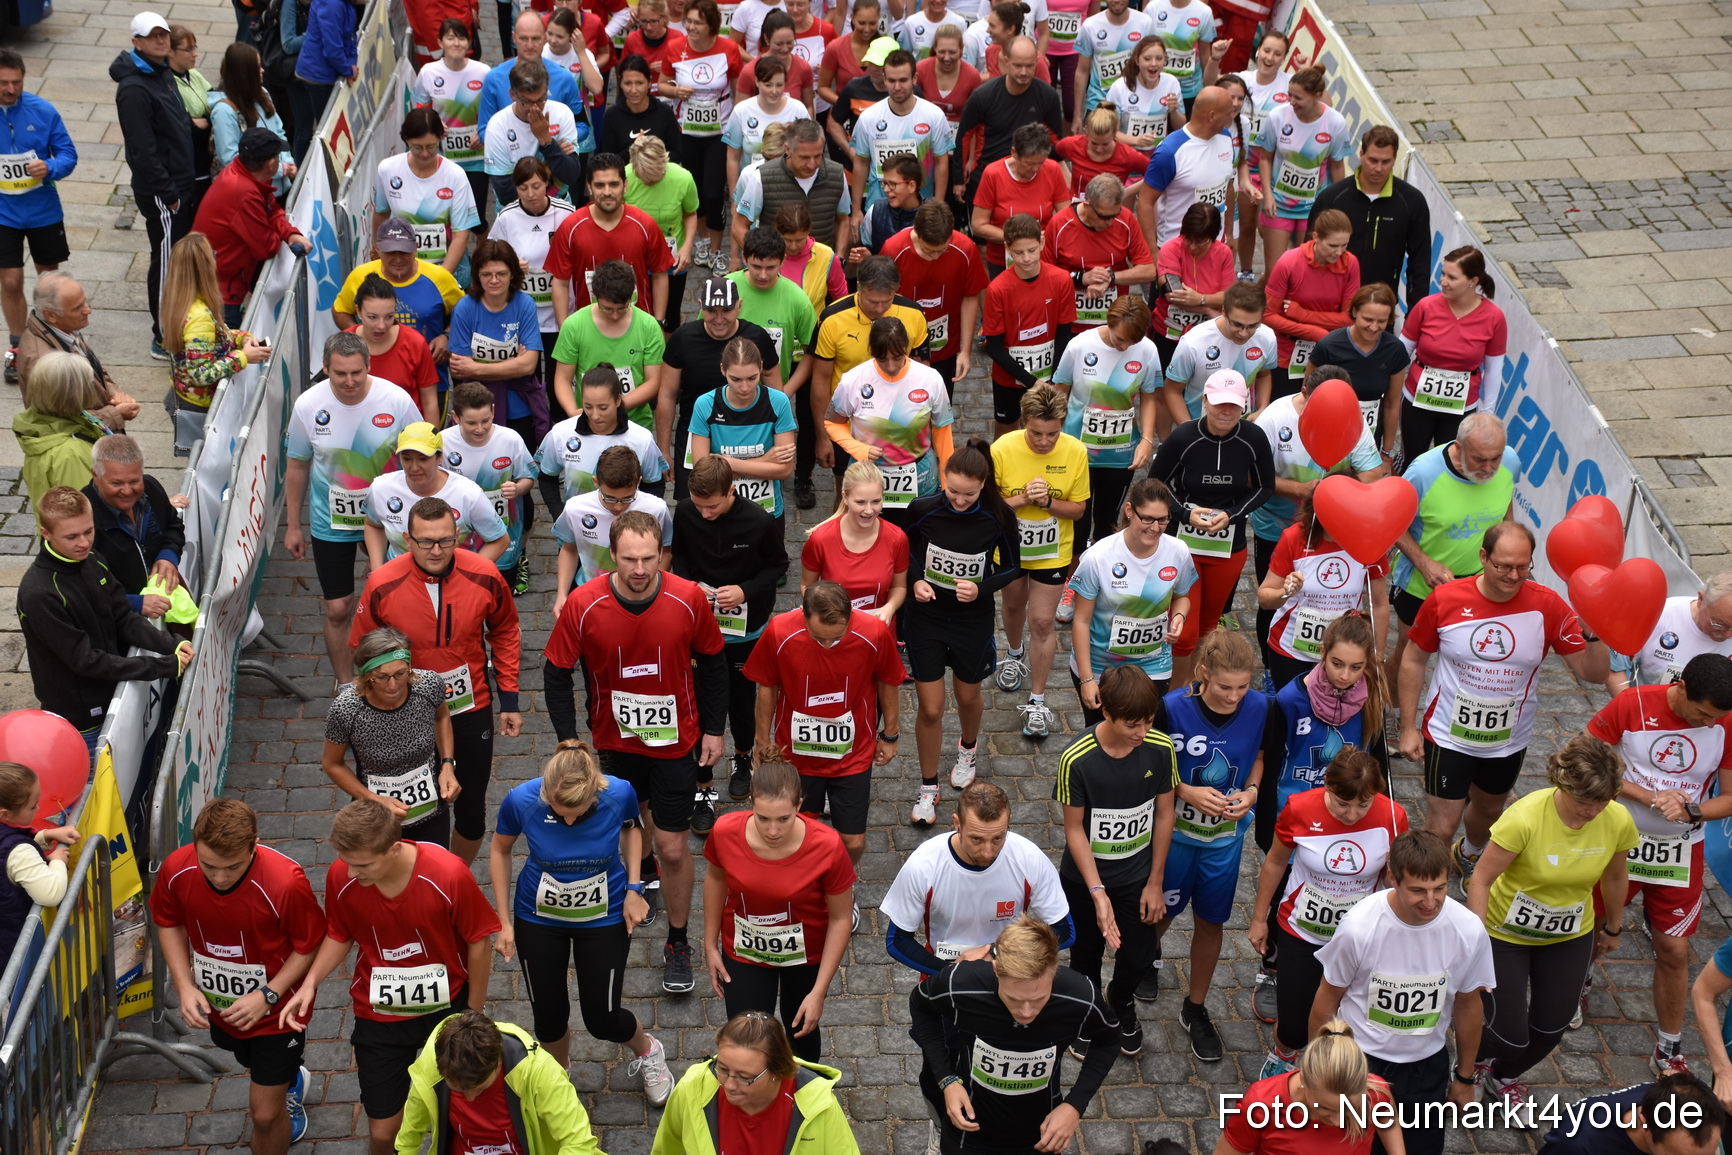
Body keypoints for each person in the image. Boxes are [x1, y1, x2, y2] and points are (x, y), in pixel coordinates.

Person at [542, 510, 728, 995]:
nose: (640, 569)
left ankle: (678, 941)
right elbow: (555, 672)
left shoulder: (688, 599)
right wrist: (567, 739)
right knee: (633, 824)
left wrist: (713, 729)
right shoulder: (584, 604)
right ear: (611, 555)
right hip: (612, 743)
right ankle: (638, 880)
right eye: (629, 559)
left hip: (674, 743)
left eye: (649, 558)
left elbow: (713, 663)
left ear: (662, 553)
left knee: (671, 844)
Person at [277, 800, 500, 1155]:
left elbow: (478, 941)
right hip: (379, 1014)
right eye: (347, 861)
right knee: (383, 1135)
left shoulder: (448, 874)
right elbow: (339, 932)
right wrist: (309, 983)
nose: (350, 873)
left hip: (447, 1011)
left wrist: (472, 1013)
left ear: (394, 849)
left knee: (462, 1116)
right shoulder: (343, 874)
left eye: (362, 864)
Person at [1396, 522, 1609, 863]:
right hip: (1448, 734)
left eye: (1523, 567)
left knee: (1488, 812)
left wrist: (1595, 635)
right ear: (1483, 556)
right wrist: (1407, 727)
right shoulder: (1446, 599)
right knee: (1443, 823)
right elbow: (1413, 658)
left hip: (1507, 740)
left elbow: (1592, 674)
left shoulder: (1548, 606)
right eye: (1504, 566)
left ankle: (1470, 853)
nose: (1513, 575)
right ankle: (1427, 890)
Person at [488, 746, 674, 1101]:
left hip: (603, 916)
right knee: (548, 1016)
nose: (570, 822)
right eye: (561, 814)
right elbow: (499, 850)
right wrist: (503, 921)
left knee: (602, 1018)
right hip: (538, 916)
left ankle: (648, 1050)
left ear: (594, 793)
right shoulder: (521, 800)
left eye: (578, 813)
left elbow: (632, 830)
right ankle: (560, 1076)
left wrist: (635, 888)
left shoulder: (619, 792)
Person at [1465, 734, 1635, 1110]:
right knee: (1508, 1035)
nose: (1593, 812)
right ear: (1563, 784)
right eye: (1585, 802)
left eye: (1602, 802)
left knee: (1548, 1031)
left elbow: (1615, 875)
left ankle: (1503, 1076)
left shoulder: (1617, 819)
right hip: (1504, 934)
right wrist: (1476, 942)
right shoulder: (1525, 817)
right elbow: (1480, 879)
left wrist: (1614, 928)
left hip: (1568, 936)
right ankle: (1470, 1065)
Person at [350, 496, 524, 864]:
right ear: (407, 539)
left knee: (471, 809)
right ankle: (402, 875)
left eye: (445, 540)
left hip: (470, 706)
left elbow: (506, 630)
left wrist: (509, 698)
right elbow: (361, 650)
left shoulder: (485, 575)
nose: (436, 549)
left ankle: (452, 879)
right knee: (403, 809)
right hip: (402, 714)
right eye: (426, 541)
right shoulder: (382, 583)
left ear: (458, 536)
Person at [1585, 654, 1732, 1078]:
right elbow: (1587, 760)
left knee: (1674, 949)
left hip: (1682, 848)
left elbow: (1730, 796)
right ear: (1681, 688)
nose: (1709, 725)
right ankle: (1580, 982)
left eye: (1717, 718)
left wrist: (1694, 809)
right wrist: (1651, 797)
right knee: (1594, 925)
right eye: (1703, 714)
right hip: (1618, 843)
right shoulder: (1631, 704)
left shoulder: (1726, 721)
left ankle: (1668, 1048)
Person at [151, 799, 324, 1155]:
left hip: (279, 1013)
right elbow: (168, 922)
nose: (220, 877)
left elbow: (309, 945)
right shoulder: (176, 869)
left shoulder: (285, 884)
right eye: (209, 865)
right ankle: (291, 1079)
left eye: (232, 866)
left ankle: (281, 1093)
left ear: (254, 843)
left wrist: (268, 995)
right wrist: (184, 985)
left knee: (263, 1115)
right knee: (244, 1057)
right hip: (223, 1010)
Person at [1309, 830, 1495, 1155]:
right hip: (1361, 1063)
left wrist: (1465, 1078)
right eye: (1418, 891)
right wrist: (1319, 1075)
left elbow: (1468, 1005)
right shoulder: (1359, 927)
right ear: (1392, 878)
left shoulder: (1468, 929)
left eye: (1439, 888)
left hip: (1426, 1066)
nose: (1430, 901)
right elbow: (1326, 1001)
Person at [1247, 747, 1407, 1078]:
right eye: (1342, 803)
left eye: (1363, 805)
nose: (1352, 814)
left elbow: (1396, 880)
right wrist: (1259, 918)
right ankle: (1284, 1054)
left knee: (1347, 1016)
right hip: (1301, 930)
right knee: (1293, 1024)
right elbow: (1276, 862)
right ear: (1326, 785)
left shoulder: (1393, 816)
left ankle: (1331, 1074)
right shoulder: (1300, 808)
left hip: (1360, 937)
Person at [911, 915, 1119, 1155]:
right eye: (1014, 999)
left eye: (1039, 999)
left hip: (1041, 1134)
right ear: (996, 969)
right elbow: (920, 1005)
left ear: (1054, 972)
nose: (1026, 1012)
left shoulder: (1080, 996)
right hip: (968, 1133)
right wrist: (946, 1079)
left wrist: (1074, 1106)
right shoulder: (961, 984)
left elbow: (1110, 1039)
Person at [284, 332, 424, 688]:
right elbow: (298, 464)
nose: (349, 382)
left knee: (396, 599)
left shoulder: (396, 400)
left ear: (369, 367)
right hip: (330, 521)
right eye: (339, 374)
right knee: (338, 607)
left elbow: (421, 459)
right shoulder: (307, 405)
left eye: (356, 373)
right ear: (325, 368)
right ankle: (347, 686)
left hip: (387, 518)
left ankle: (400, 675)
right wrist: (293, 525)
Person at [1154, 630, 1266, 1059]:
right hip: (1175, 836)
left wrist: (1252, 792)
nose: (1234, 696)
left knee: (1212, 922)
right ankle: (1144, 964)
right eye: (1224, 687)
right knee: (1158, 913)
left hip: (1223, 841)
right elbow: (1152, 762)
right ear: (1202, 673)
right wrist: (1184, 791)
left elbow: (1260, 755)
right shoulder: (1171, 708)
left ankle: (1195, 1006)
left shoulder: (1259, 708)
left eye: (1242, 686)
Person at [1054, 665, 1175, 1059]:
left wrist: (1155, 881)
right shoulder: (1077, 759)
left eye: (1149, 722)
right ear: (1106, 712)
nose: (1142, 733)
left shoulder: (1161, 748)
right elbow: (1075, 830)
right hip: (1085, 879)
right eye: (1132, 725)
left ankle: (1119, 1001)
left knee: (1139, 955)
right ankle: (1088, 1014)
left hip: (1138, 877)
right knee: (1085, 956)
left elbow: (1163, 813)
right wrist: (1097, 892)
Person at [18, 489, 189, 762]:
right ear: (45, 533)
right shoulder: (40, 592)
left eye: (89, 531)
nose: (84, 543)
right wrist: (165, 665)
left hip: (115, 695)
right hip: (81, 717)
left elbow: (121, 615)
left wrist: (173, 643)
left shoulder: (92, 560)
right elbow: (85, 661)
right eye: (72, 536)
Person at [701, 761, 855, 1061]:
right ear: (751, 804)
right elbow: (715, 880)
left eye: (784, 818)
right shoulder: (724, 831)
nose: (773, 830)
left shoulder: (828, 846)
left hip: (805, 956)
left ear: (800, 804)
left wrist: (819, 991)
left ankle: (806, 1099)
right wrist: (709, 944)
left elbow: (840, 918)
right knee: (747, 1039)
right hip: (745, 952)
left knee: (802, 1036)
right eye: (763, 818)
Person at [1249, 364, 1385, 679]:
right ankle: (1272, 670)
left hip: (1334, 529)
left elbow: (1373, 475)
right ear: (1304, 392)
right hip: (1277, 524)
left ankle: (1329, 665)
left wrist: (1337, 495)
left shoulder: (1354, 422)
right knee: (1276, 596)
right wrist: (1299, 490)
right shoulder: (1274, 418)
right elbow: (1251, 477)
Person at [746, 579, 904, 849]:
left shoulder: (874, 632)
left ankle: (838, 885)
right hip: (796, 755)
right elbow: (768, 687)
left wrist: (890, 735)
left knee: (852, 842)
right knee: (800, 833)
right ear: (803, 615)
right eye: (819, 637)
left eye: (837, 636)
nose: (829, 644)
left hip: (852, 754)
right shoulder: (779, 631)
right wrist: (762, 741)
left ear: (850, 615)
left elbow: (888, 682)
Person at [904, 440, 1020, 800]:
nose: (958, 499)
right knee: (931, 707)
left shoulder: (998, 516)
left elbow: (1014, 566)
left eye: (968, 494)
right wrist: (917, 579)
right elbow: (903, 552)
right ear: (944, 478)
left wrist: (982, 587)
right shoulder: (922, 509)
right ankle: (927, 786)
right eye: (952, 490)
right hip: (927, 617)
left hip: (973, 621)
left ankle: (967, 750)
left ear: (983, 484)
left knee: (968, 697)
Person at [673, 452, 789, 809]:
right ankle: (703, 782)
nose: (705, 514)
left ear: (731, 491)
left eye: (712, 507)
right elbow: (680, 557)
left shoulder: (759, 520)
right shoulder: (685, 512)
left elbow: (778, 566)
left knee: (741, 698)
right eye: (699, 506)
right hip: (701, 622)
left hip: (745, 628)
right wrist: (693, 586)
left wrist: (744, 591)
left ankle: (742, 757)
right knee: (699, 700)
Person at [1148, 369, 1273, 684]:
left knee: (1207, 627)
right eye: (1219, 404)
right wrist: (1182, 514)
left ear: (1244, 405)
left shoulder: (1253, 438)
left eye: (1233, 405)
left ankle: (1198, 690)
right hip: (1183, 545)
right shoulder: (1184, 437)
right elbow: (1154, 483)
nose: (1226, 412)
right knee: (1185, 631)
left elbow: (1264, 487)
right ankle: (1176, 695)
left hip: (1228, 547)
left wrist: (1231, 515)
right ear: (1204, 401)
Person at [1383, 413, 1519, 692]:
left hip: (1480, 584)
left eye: (1495, 458)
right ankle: (1389, 705)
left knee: (1472, 656)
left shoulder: (1511, 462)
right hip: (1422, 585)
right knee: (1409, 651)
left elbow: (1505, 504)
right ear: (1458, 446)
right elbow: (1391, 523)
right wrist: (1424, 564)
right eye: (1480, 459)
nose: (1489, 467)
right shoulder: (1423, 473)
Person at [884, 782, 1072, 969]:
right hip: (944, 971)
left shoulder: (1029, 858)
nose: (987, 853)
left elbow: (1064, 930)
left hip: (1008, 969)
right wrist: (952, 974)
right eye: (977, 839)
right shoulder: (924, 865)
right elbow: (898, 940)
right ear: (957, 823)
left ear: (1008, 822)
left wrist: (994, 952)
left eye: (998, 838)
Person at [991, 384, 1089, 738]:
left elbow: (1078, 510)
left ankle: (1037, 700)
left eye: (1053, 433)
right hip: (1012, 547)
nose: (1045, 441)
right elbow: (988, 505)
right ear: (1023, 422)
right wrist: (1022, 499)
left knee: (1044, 622)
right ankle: (1014, 654)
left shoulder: (1076, 452)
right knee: (1014, 605)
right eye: (1036, 433)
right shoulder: (1002, 449)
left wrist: (1047, 503)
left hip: (1052, 551)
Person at [798, 254, 929, 501]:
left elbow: (923, 374)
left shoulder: (915, 314)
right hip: (847, 428)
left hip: (897, 427)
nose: (879, 309)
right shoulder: (832, 318)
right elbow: (820, 381)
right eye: (872, 302)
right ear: (858, 287)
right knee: (847, 496)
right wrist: (822, 436)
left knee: (900, 501)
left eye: (886, 301)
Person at [1068, 477, 1196, 726]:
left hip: (1153, 662)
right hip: (1101, 666)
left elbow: (1182, 597)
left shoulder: (1178, 551)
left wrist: (1179, 618)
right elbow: (1081, 621)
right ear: (1129, 511)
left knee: (1147, 731)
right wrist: (1086, 679)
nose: (1155, 527)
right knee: (1102, 736)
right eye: (1147, 518)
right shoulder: (1098, 558)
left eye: (1163, 519)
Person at [396, 1011, 607, 1155]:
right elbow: (409, 1136)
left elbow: (578, 1143)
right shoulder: (431, 1068)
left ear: (497, 1061)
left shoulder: (542, 1073)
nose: (469, 1098)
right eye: (459, 1090)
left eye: (478, 1089)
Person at [323, 629, 459, 848]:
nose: (393, 685)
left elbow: (442, 716)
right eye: (382, 677)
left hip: (432, 811)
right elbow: (332, 764)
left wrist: (447, 765)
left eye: (401, 674)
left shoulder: (428, 685)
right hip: (378, 819)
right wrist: (373, 799)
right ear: (366, 676)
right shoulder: (346, 709)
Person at [650, 1012, 859, 1155]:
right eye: (722, 1069)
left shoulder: (820, 1107)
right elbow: (668, 1148)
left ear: (778, 1070)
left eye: (744, 1076)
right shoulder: (692, 1088)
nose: (729, 1085)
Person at [112, 11, 195, 359]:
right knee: (164, 261)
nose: (161, 41)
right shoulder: (133, 88)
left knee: (175, 258)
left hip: (179, 183)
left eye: (163, 34)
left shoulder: (160, 72)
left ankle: (174, 325)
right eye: (153, 36)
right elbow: (142, 151)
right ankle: (162, 337)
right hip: (164, 192)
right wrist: (169, 193)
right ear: (137, 43)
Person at [1053, 293, 1161, 557]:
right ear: (1109, 323)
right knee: (1076, 526)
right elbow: (1059, 392)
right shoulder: (1080, 345)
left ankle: (1101, 580)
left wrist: (1147, 439)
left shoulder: (1147, 350)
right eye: (1120, 339)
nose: (1125, 347)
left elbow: (1149, 397)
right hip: (1078, 450)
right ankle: (1072, 582)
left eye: (1132, 341)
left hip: (1120, 453)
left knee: (1106, 523)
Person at [823, 315, 953, 525]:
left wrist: (947, 485)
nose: (891, 366)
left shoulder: (931, 379)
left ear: (907, 348)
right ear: (871, 351)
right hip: (866, 478)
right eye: (882, 359)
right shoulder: (852, 380)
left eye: (898, 357)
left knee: (914, 538)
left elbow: (942, 432)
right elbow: (832, 422)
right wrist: (857, 448)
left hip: (919, 476)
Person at [659, 277, 782, 498]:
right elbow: (667, 396)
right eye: (711, 310)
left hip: (748, 438)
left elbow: (776, 395)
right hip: (694, 435)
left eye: (726, 310)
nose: (718, 319)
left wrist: (779, 439)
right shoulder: (683, 338)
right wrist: (663, 449)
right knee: (696, 507)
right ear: (699, 306)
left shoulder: (757, 337)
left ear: (739, 306)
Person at [1256, 495, 1390, 693]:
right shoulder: (1295, 537)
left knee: (1336, 715)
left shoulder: (1370, 541)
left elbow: (1379, 604)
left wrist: (1377, 655)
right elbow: (1265, 598)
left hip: (1346, 654)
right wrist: (1285, 592)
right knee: (1291, 713)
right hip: (1291, 650)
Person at [0, 48, 75, 387]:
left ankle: (55, 339)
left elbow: (68, 155)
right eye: (3, 83)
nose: (10, 89)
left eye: (16, 82)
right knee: (11, 280)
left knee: (49, 282)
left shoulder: (42, 111)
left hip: (43, 209)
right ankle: (17, 345)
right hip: (4, 213)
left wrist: (50, 168)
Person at [1214, 1022, 1403, 1155]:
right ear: (1305, 1078)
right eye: (1325, 1107)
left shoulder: (1374, 1092)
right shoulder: (1261, 1106)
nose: (1337, 1120)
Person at [1397, 245, 1507, 463]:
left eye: (1452, 277)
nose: (1443, 282)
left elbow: (1494, 370)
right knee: (1411, 461)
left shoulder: (1494, 317)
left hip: (1461, 408)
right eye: (1443, 274)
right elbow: (1401, 352)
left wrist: (1487, 413)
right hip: (1417, 401)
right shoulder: (1425, 307)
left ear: (1473, 281)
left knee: (1450, 464)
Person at [658, 0, 745, 273]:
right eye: (688, 21)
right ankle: (704, 242)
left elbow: (737, 85)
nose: (691, 27)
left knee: (712, 193)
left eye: (697, 22)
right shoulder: (674, 48)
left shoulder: (728, 49)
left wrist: (739, 121)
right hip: (687, 131)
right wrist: (675, 92)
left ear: (711, 26)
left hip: (719, 132)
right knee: (695, 191)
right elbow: (661, 83)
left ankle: (718, 250)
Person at [190, 127, 308, 324]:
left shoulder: (243, 173)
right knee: (230, 348)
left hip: (220, 281)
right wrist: (278, 230)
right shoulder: (244, 193)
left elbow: (271, 208)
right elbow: (266, 247)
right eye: (278, 157)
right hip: (220, 292)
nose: (280, 161)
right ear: (270, 164)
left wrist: (290, 234)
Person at [161, 232, 269, 444]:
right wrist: (242, 357)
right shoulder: (199, 317)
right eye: (212, 255)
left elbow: (216, 337)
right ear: (204, 268)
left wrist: (241, 338)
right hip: (201, 410)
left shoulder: (180, 299)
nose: (215, 259)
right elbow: (199, 374)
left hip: (187, 398)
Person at [1310, 124, 1430, 311]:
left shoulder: (1412, 201)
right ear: (1361, 154)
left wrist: (1415, 316)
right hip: (1332, 304)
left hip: (1382, 305)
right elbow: (1308, 251)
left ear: (1395, 159)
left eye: (1386, 162)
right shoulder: (1333, 197)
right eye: (1373, 160)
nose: (1379, 168)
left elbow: (1420, 263)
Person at [331, 219, 463, 384]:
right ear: (378, 249)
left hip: (429, 378)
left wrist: (448, 336)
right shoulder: (360, 276)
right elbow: (340, 309)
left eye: (404, 252)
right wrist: (359, 340)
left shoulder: (439, 277)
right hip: (373, 379)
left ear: (416, 248)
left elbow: (466, 313)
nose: (398, 259)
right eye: (391, 252)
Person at [880, 198, 986, 400]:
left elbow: (970, 297)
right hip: (900, 351)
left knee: (939, 410)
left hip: (944, 350)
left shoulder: (965, 249)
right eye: (929, 251)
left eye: (942, 250)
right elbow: (882, 302)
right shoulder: (893, 250)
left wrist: (965, 352)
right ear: (917, 234)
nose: (936, 257)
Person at [686, 334, 798, 526]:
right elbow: (703, 473)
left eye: (752, 378)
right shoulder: (705, 404)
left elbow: (784, 470)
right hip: (720, 512)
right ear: (723, 370)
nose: (744, 387)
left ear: (761, 368)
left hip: (768, 512)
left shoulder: (778, 402)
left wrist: (725, 463)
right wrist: (765, 461)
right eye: (735, 379)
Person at [548, 152, 673, 323]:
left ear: (625, 185)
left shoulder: (645, 225)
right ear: (589, 187)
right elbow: (560, 283)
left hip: (637, 327)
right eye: (600, 185)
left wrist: (658, 322)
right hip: (588, 329)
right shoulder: (570, 228)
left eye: (614, 184)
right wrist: (565, 331)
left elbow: (660, 275)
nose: (607, 192)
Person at [980, 214, 1074, 439]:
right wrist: (1032, 382)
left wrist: (1055, 378)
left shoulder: (1061, 280)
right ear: (1007, 249)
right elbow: (994, 347)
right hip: (1009, 379)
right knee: (1006, 432)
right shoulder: (998, 289)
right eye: (1019, 252)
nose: (1026, 258)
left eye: (1032, 250)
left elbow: (1064, 335)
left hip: (1049, 377)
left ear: (1042, 242)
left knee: (1046, 432)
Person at [448, 238, 548, 449]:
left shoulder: (524, 303)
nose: (494, 280)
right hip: (476, 409)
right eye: (486, 274)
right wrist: (513, 364)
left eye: (501, 274)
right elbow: (459, 369)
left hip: (519, 407)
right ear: (477, 276)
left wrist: (476, 367)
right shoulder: (465, 308)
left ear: (512, 274)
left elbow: (529, 365)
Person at [364, 422, 508, 567]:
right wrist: (378, 571)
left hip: (451, 579)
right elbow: (373, 525)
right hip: (400, 578)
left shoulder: (467, 493)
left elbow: (500, 540)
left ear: (439, 458)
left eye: (423, 459)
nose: (414, 467)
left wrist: (468, 574)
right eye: (407, 459)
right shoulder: (381, 488)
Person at [489, 157, 579, 385]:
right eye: (523, 188)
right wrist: (509, 264)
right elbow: (489, 257)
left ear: (547, 182)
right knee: (528, 381)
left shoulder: (567, 213)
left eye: (536, 186)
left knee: (559, 378)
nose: (530, 194)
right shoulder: (506, 217)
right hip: (523, 315)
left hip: (560, 312)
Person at [441, 383, 538, 594]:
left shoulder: (510, 439)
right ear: (455, 417)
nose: (480, 428)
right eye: (471, 423)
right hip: (462, 536)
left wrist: (518, 488)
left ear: (493, 410)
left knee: (499, 593)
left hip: (504, 533)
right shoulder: (443, 442)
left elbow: (528, 478)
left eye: (486, 420)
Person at [548, 261, 669, 426]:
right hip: (589, 420)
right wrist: (573, 412)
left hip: (634, 422)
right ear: (595, 295)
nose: (614, 316)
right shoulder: (574, 325)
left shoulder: (648, 327)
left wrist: (614, 408)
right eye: (607, 308)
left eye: (622, 308)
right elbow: (562, 379)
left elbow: (654, 381)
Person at [550, 444, 673, 602]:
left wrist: (653, 593)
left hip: (640, 595)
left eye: (627, 498)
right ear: (596, 482)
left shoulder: (657, 509)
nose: (618, 507)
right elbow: (568, 549)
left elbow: (665, 552)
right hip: (591, 593)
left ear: (639, 482)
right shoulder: (575, 508)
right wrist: (562, 595)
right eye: (610, 498)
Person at [1253, 65, 1348, 268]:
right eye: (1289, 95)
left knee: (1306, 269)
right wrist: (1267, 195)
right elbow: (1265, 158)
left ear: (1317, 96)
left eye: (1298, 98)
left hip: (1314, 207)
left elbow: (1337, 166)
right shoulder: (1277, 116)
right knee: (1275, 271)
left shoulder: (1335, 122)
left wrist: (1338, 206)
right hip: (1279, 204)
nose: (1291, 102)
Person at [82, 435, 187, 618]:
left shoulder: (152, 488)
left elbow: (173, 525)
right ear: (95, 476)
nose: (127, 491)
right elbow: (81, 587)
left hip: (161, 613)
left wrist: (168, 556)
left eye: (134, 481)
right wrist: (133, 603)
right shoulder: (81, 518)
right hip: (118, 626)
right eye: (116, 483)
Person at [373, 108, 480, 284]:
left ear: (440, 139)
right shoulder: (387, 169)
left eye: (431, 147)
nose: (424, 153)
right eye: (417, 147)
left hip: (446, 267)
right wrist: (377, 252)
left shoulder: (455, 175)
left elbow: (461, 234)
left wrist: (441, 278)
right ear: (406, 140)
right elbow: (381, 213)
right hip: (400, 267)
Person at [1043, 174, 1156, 338]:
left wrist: (1109, 278)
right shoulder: (1060, 224)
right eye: (1104, 216)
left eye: (1115, 215)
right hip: (1069, 321)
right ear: (1087, 205)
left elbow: (1149, 270)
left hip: (1115, 322)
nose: (1110, 222)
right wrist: (1081, 278)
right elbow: (1046, 275)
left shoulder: (1126, 219)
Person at [1261, 210, 1359, 399]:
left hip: (1329, 349)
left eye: (1344, 245)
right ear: (1315, 237)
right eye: (1332, 245)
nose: (1339, 252)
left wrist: (1302, 315)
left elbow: (1350, 317)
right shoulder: (1289, 262)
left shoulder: (1351, 263)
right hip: (1287, 352)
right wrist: (1313, 332)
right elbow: (1266, 315)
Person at [955, 35, 1064, 203]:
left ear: (1037, 62)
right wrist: (959, 180)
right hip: (987, 176)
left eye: (1029, 66)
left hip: (1031, 177)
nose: (1023, 72)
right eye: (1017, 65)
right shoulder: (983, 96)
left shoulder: (1048, 96)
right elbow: (964, 136)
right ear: (1006, 61)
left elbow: (1055, 142)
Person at [16, 272, 135, 426]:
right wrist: (116, 414)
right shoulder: (44, 362)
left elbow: (94, 371)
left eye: (85, 302)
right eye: (78, 308)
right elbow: (62, 422)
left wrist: (115, 395)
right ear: (51, 315)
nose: (88, 310)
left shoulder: (63, 329)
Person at [800, 460, 909, 622]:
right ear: (845, 497)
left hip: (877, 628)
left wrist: (890, 607)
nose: (869, 510)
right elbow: (807, 585)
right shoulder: (821, 538)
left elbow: (899, 586)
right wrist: (823, 607)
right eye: (860, 502)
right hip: (834, 627)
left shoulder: (897, 538)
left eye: (876, 501)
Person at [0, 763, 78, 987]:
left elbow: (7, 852)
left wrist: (46, 835)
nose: (38, 809)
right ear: (5, 814)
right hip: (11, 952)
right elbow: (50, 893)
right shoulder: (18, 852)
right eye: (33, 806)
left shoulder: (11, 844)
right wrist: (56, 862)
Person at [1135, 84, 1237, 252]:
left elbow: (1228, 186)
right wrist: (1153, 253)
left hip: (1215, 245)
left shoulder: (1226, 137)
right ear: (1212, 116)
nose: (1230, 119)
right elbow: (1144, 203)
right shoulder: (1170, 151)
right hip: (1177, 249)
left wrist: (1229, 233)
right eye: (1228, 114)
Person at [1312, 283, 1411, 453]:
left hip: (1369, 439)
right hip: (1330, 434)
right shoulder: (1328, 345)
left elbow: (1391, 404)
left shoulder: (1395, 350)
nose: (1374, 327)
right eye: (1368, 319)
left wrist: (1387, 453)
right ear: (1355, 312)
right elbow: (1308, 396)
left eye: (1381, 321)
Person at [410, 20, 492, 222]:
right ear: (440, 42)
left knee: (477, 218)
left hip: (476, 159)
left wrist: (484, 132)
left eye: (462, 38)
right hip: (442, 159)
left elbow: (494, 111)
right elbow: (421, 110)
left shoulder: (483, 72)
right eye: (450, 38)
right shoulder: (428, 73)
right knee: (446, 215)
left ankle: (480, 249)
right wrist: (433, 123)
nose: (456, 43)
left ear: (469, 42)